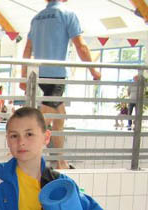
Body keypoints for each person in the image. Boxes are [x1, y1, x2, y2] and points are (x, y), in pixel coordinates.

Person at [20, 0, 101, 166]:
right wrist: (94, 71)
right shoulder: (67, 15)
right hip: (56, 76)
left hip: (40, 76)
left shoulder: (37, 18)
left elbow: (27, 50)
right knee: (41, 123)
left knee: (59, 118)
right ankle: (23, 158)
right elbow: (81, 46)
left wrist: (23, 76)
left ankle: (60, 161)